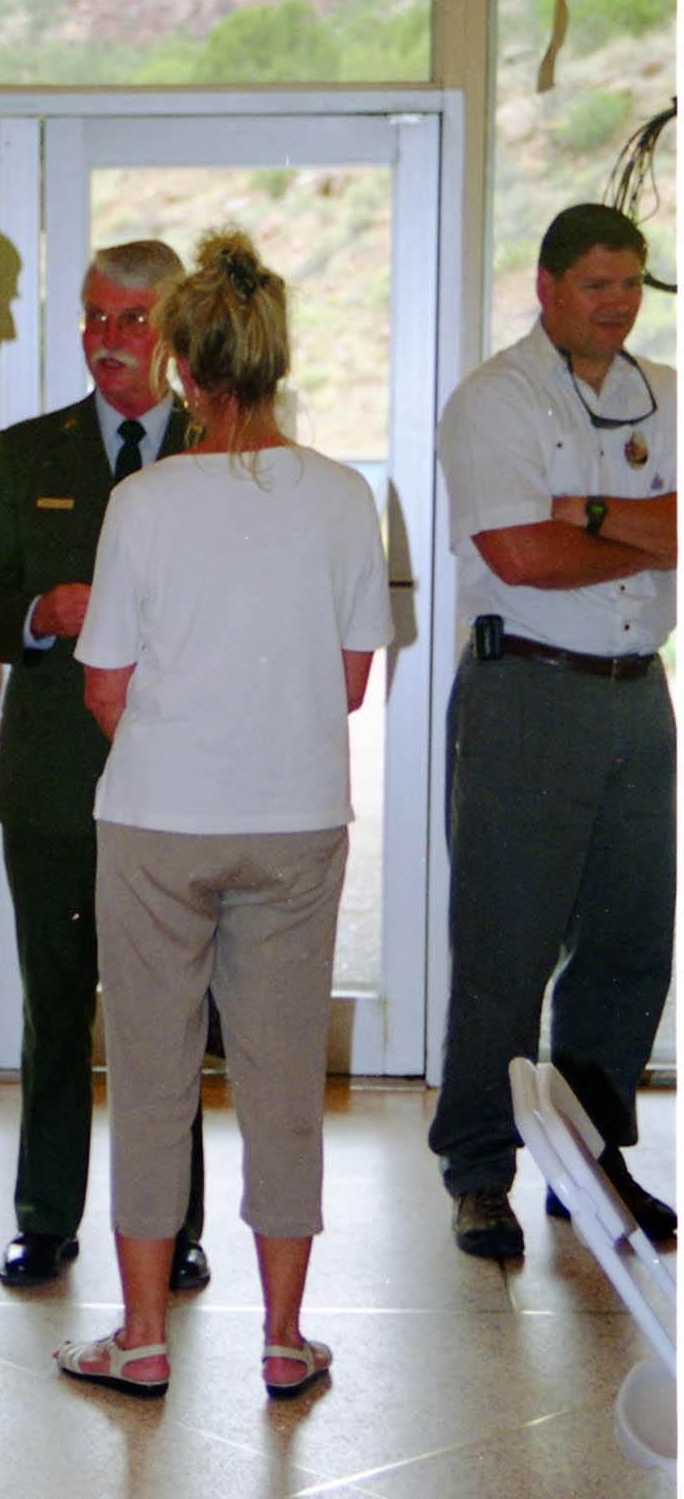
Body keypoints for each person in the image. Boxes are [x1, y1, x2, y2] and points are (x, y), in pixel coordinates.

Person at [54, 229, 393, 1398]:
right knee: (282, 1080)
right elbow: (351, 683)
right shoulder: (349, 500)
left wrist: (172, 748)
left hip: (157, 822)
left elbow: (105, 685)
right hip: (298, 820)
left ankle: (142, 1339)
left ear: (185, 374)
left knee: (149, 1078)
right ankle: (285, 1340)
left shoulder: (144, 502)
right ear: (273, 363)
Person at [0, 240, 210, 1290]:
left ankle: (177, 1226)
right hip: (58, 779)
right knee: (57, 1008)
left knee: (171, 1013)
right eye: (94, 320)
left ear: (178, 331)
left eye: (133, 321)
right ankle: (45, 1216)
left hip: (188, 781)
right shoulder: (31, 451)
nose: (108, 341)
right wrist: (37, 614)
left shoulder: (223, 447)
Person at [429, 202, 677, 1260]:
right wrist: (637, 529)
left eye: (630, 285)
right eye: (595, 286)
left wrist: (578, 510)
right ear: (546, 287)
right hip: (527, 690)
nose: (616, 305)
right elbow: (519, 559)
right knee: (507, 948)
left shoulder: (662, 394)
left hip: (636, 694)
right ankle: (481, 1168)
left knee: (630, 942)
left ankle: (591, 1158)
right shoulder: (496, 398)